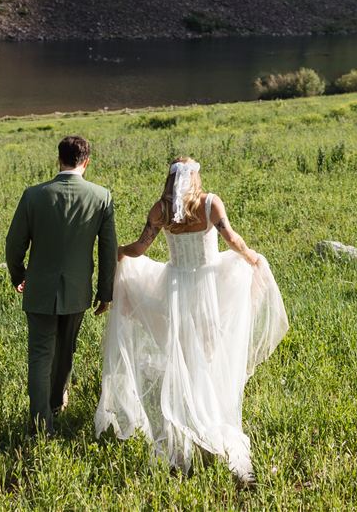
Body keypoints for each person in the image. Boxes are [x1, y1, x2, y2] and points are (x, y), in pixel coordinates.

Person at [94, 156, 287, 482]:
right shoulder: (210, 203)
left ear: (170, 179)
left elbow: (141, 248)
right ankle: (208, 418)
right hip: (209, 285)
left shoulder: (161, 209)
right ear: (194, 176)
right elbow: (232, 239)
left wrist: (120, 253)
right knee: (208, 352)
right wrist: (253, 258)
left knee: (182, 353)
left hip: (174, 286)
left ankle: (185, 422)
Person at [6, 135, 117, 435]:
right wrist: (106, 292)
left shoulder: (33, 195)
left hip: (39, 288)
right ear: (87, 162)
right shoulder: (101, 197)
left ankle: (41, 423)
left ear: (59, 159)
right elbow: (108, 250)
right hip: (78, 290)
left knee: (40, 354)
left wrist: (19, 276)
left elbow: (14, 244)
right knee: (66, 350)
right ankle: (56, 401)